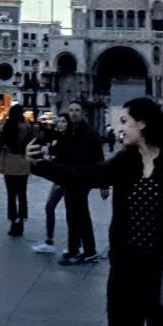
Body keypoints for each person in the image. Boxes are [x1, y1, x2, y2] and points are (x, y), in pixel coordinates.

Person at [29, 98, 163, 326]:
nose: (121, 127)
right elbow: (81, 176)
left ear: (142, 123)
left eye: (125, 121)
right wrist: (39, 165)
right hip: (124, 273)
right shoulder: (125, 162)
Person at [55, 101, 107, 264]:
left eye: (77, 110)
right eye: (71, 110)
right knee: (72, 214)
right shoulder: (69, 133)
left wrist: (103, 184)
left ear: (82, 113)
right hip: (69, 178)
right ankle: (73, 248)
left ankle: (89, 250)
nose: (73, 113)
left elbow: (99, 159)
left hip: (83, 179)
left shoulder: (90, 134)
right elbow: (63, 157)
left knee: (81, 214)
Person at [33, 114, 69, 254]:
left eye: (64, 121)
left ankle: (76, 244)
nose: (61, 124)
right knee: (50, 207)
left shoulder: (68, 139)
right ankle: (49, 241)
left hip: (66, 179)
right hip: (59, 179)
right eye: (59, 121)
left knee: (71, 212)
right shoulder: (57, 138)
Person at [0, 105, 32, 237]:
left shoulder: (8, 126)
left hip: (10, 163)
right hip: (23, 163)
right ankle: (22, 220)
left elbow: (2, 141)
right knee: (22, 194)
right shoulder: (26, 126)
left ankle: (14, 221)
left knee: (11, 195)